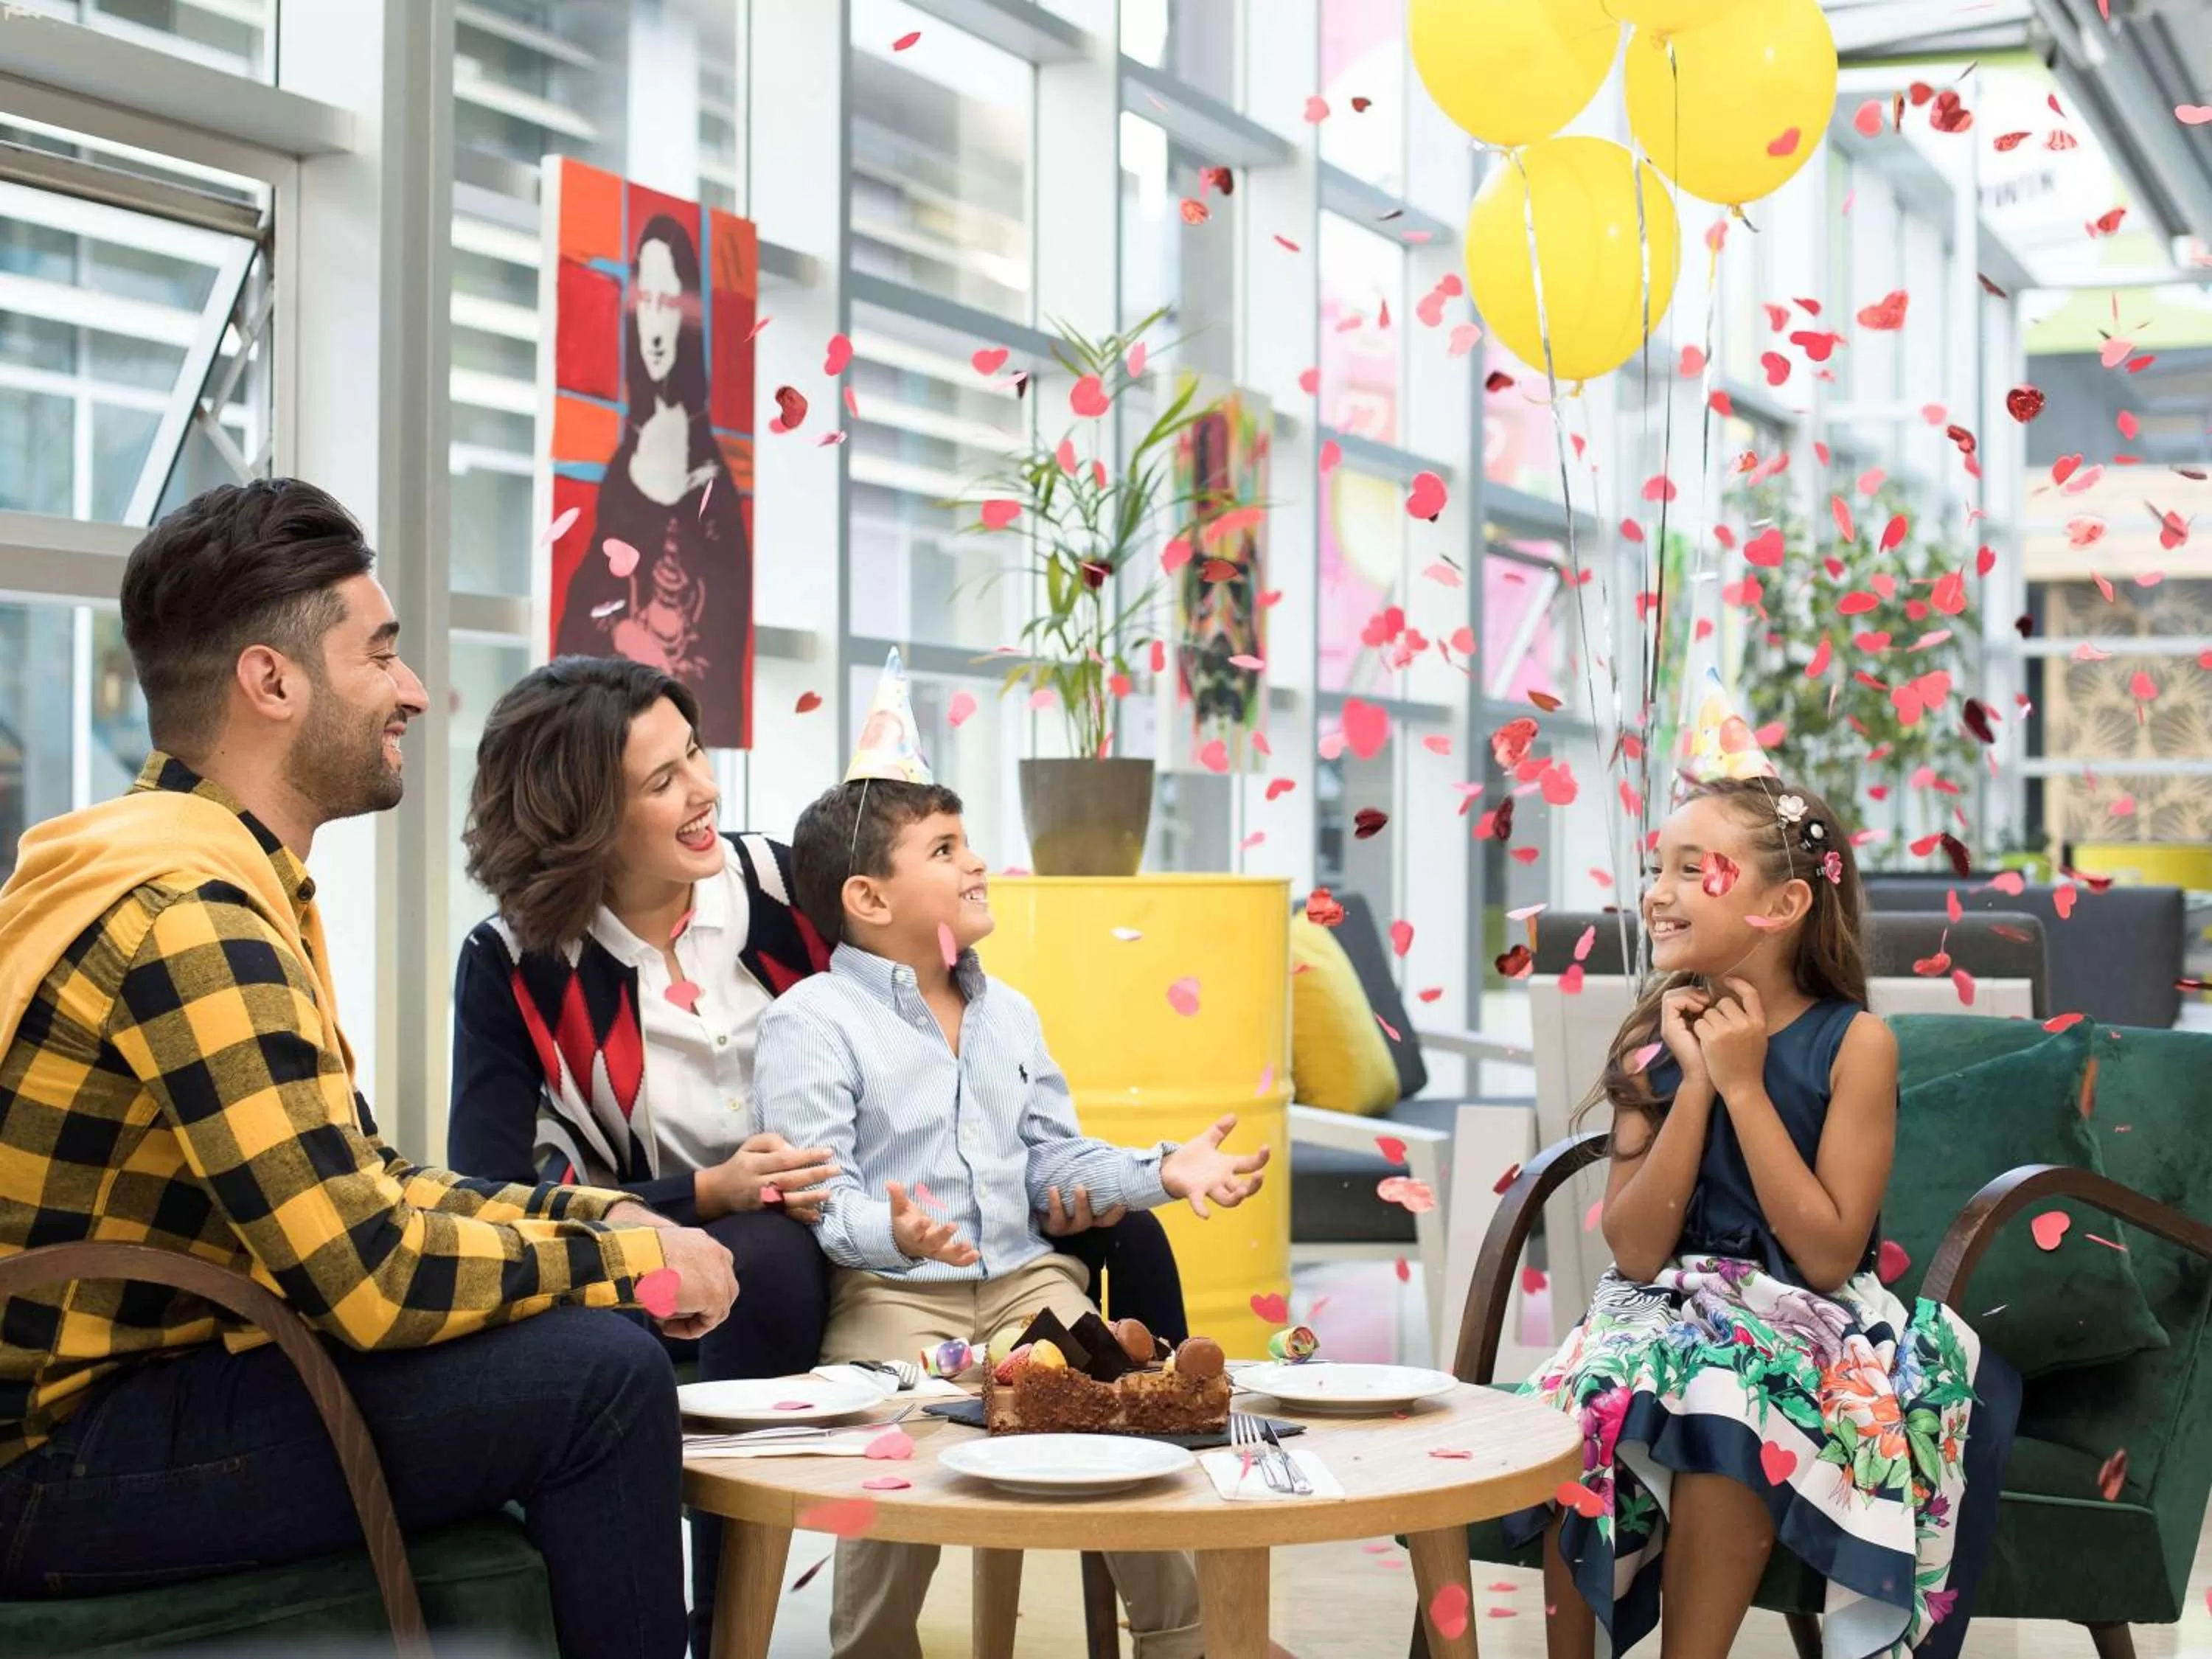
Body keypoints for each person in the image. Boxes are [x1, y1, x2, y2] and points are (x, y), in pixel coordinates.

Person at [0, 479, 736, 1659]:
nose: (409, 691)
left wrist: (597, 1216)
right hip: (61, 1458)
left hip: (132, 1399)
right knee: (599, 1375)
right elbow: (370, 1274)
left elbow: (367, 1185)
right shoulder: (194, 914)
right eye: (380, 652)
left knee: (582, 1345)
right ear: (273, 682)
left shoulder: (176, 860)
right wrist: (629, 1253)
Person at [447, 653, 1192, 1657]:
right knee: (765, 1253)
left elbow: (942, 1036)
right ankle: (727, 1615)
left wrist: (1051, 1180)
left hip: (873, 1226)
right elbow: (487, 1188)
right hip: (684, 1251)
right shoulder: (511, 963)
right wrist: (704, 1192)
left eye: (696, 754)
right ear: (582, 816)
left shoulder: (779, 889)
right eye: (663, 779)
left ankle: (1190, 1497)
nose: (706, 787)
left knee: (1126, 1224)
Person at [756, 748, 1271, 1659]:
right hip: (894, 1296)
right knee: (891, 1465)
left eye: (968, 843)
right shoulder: (812, 1020)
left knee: (1126, 1422)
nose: (976, 864)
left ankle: (1183, 1641)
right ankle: (871, 1649)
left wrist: (1163, 1172)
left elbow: (1051, 1163)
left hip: (1032, 1287)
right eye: (946, 849)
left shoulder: (1011, 1015)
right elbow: (815, 1197)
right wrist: (893, 1229)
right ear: (869, 899)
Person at [1508, 774, 2019, 1659]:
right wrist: (1695, 1082)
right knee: (1592, 1397)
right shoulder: (1651, 1043)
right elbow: (1633, 1251)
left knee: (1726, 1395)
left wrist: (1742, 1084)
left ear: (1782, 903)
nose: (1656, 893)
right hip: (1658, 1309)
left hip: (1805, 1318)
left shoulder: (1855, 1043)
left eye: (1691, 869)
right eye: (1654, 868)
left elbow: (1826, 1256)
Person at [555, 212, 750, 745]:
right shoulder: (623, 464)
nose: (655, 325)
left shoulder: (710, 480)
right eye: (646, 303)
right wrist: (621, 629)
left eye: (669, 303)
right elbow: (587, 601)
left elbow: (727, 620)